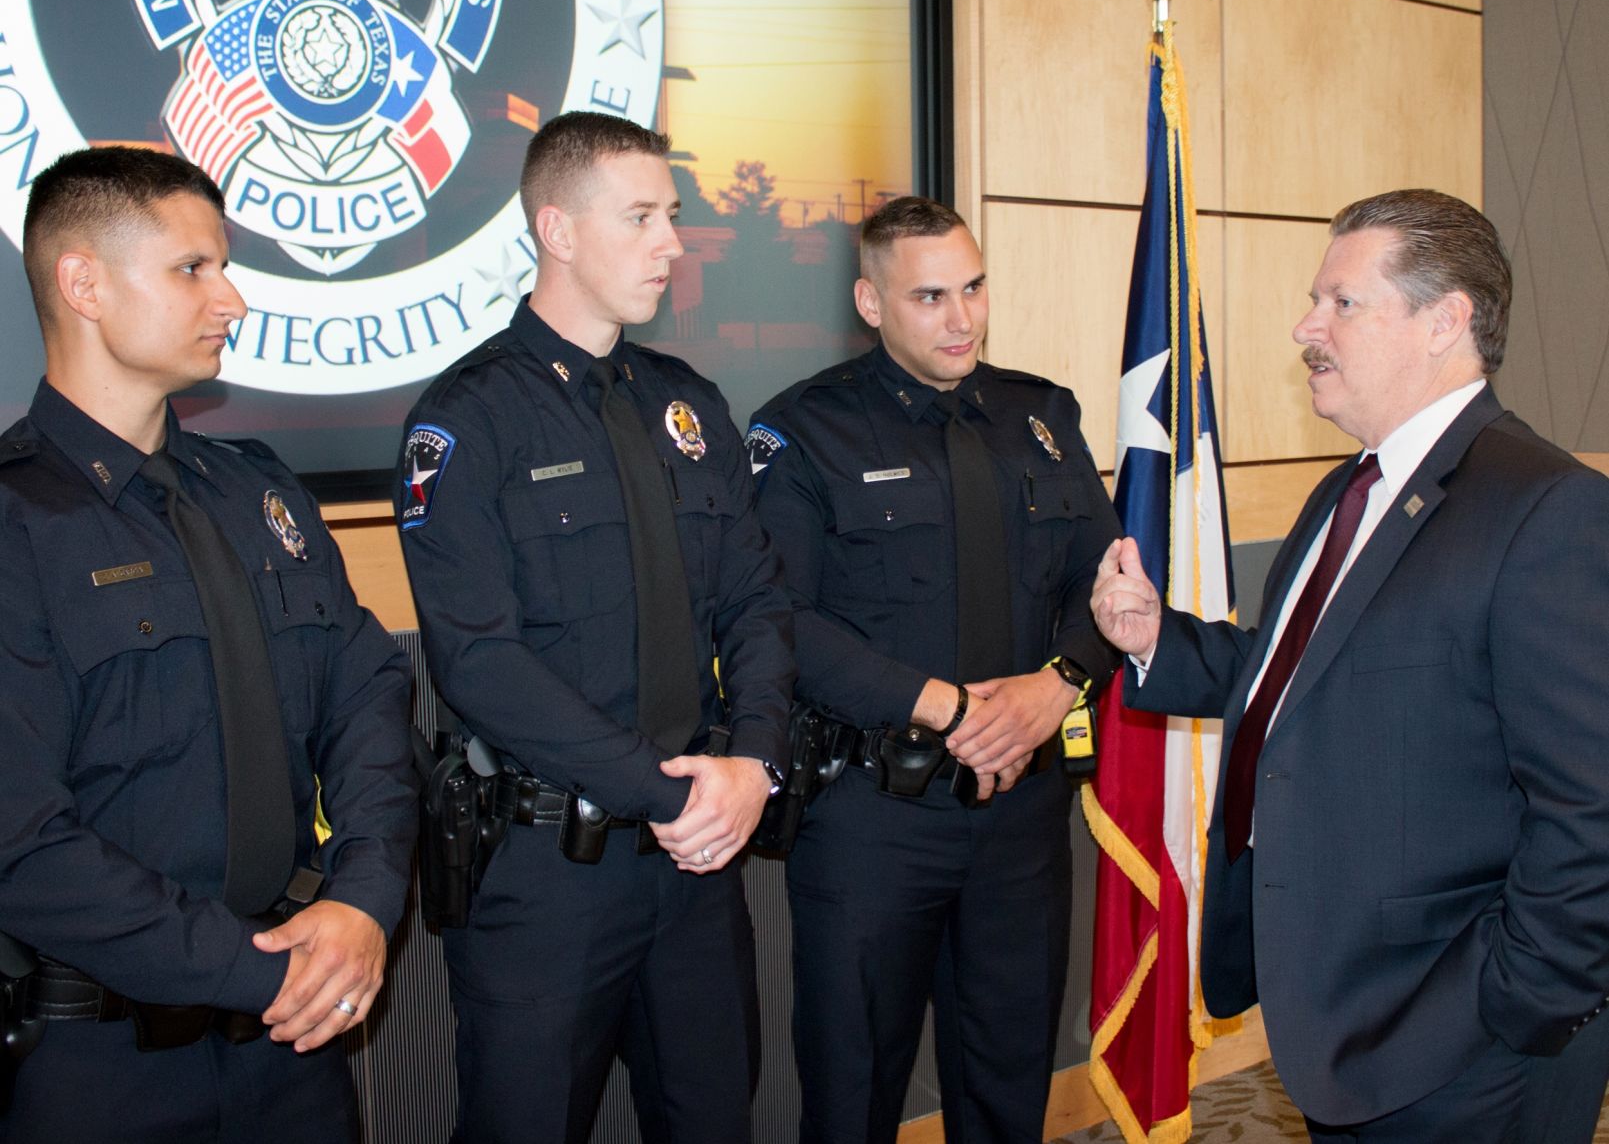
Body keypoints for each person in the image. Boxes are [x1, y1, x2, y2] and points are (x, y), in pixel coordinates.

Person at [1092, 189, 1609, 1142]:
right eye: (1311, 301)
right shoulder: (1351, 484)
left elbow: (1589, 806)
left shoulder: (1548, 508)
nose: (1305, 327)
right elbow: (1298, 672)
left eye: (1340, 302)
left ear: (1444, 319)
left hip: (1468, 1040)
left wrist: (1521, 1001)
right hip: (1348, 1021)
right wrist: (1156, 639)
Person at [0, 146, 417, 1142]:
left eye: (223, 267)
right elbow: (22, 841)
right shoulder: (17, 525)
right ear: (83, 282)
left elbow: (364, 696)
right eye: (194, 269)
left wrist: (361, 902)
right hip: (97, 1068)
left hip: (291, 1048)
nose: (230, 298)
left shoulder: (256, 490)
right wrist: (262, 970)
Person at [397, 111, 793, 1144]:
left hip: (698, 857)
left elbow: (755, 604)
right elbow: (480, 664)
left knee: (713, 1119)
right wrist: (662, 790)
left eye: (673, 215)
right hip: (547, 878)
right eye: (643, 218)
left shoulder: (689, 407)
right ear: (558, 231)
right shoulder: (468, 421)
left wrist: (753, 761)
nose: (672, 242)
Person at [747, 195, 1121, 1143]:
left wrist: (1057, 684)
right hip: (874, 818)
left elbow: (1106, 583)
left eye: (974, 287)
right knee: (852, 1085)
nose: (962, 319)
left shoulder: (1039, 415)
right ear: (871, 303)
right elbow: (779, 615)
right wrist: (944, 708)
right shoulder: (803, 432)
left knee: (1008, 1079)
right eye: (929, 297)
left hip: (1021, 815)